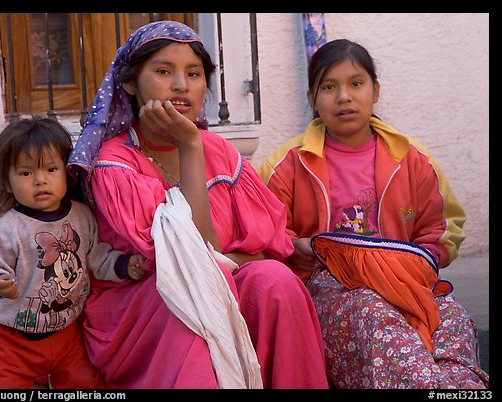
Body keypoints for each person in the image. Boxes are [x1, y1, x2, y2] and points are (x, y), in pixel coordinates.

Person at [67, 20, 328, 389]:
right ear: (129, 83)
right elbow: (190, 260)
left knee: (276, 282)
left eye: (194, 73)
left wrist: (246, 260)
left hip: (221, 282)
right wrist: (189, 146)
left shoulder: (221, 152)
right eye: (162, 71)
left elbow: (268, 252)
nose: (181, 85)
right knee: (192, 299)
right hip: (145, 302)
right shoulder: (114, 163)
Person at [258, 38, 489, 389]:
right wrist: (301, 250)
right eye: (329, 87)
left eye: (356, 83)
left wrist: (408, 267)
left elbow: (441, 231)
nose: (344, 97)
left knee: (452, 316)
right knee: (372, 311)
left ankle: (463, 390)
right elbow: (264, 237)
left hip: (407, 284)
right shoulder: (287, 165)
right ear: (311, 99)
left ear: (375, 90)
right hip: (329, 292)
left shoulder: (411, 159)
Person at [0, 116, 146, 389]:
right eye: (25, 173)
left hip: (67, 334)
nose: (40, 180)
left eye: (51, 169)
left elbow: (97, 257)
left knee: (85, 383)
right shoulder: (11, 226)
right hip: (13, 340)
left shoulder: (81, 216)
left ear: (66, 172)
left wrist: (125, 265)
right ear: (7, 183)